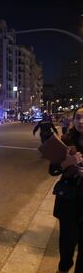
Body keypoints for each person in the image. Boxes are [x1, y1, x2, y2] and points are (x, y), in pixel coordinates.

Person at [49, 108, 83, 273]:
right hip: (69, 199)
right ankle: (63, 268)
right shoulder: (65, 140)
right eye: (78, 117)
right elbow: (53, 170)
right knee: (67, 242)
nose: (81, 121)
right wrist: (69, 162)